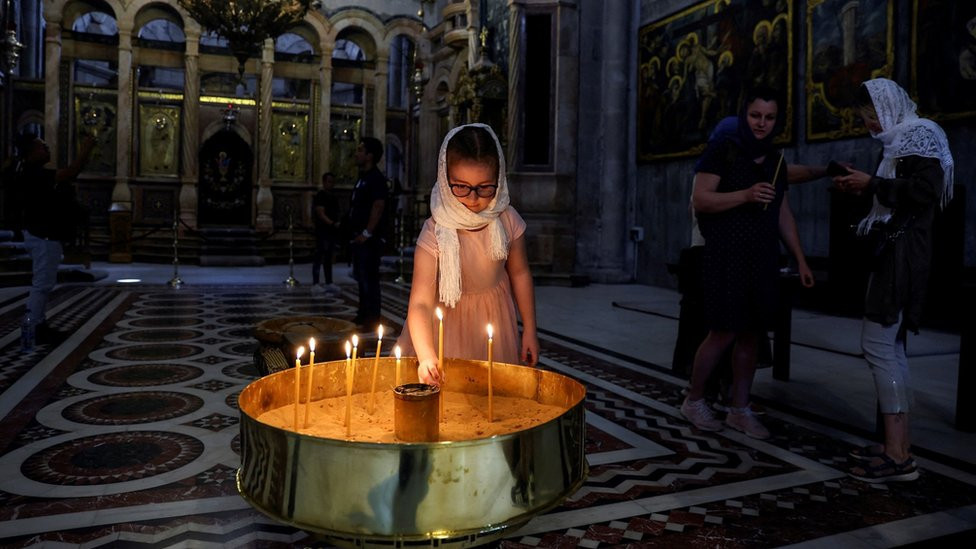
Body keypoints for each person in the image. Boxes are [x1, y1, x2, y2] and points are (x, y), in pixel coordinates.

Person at [833, 78, 953, 483]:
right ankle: (896, 445)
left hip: (903, 256)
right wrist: (866, 185)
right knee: (890, 347)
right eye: (864, 119)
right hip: (894, 252)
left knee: (880, 346)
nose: (869, 126)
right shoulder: (899, 142)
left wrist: (872, 184)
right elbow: (896, 195)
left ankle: (898, 455)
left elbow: (926, 190)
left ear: (888, 108)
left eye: (870, 117)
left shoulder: (921, 134)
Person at [679, 86, 815, 440]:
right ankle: (694, 400)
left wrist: (800, 259)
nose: (762, 124)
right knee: (722, 332)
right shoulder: (722, 151)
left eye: (769, 118)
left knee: (752, 334)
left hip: (762, 257)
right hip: (726, 254)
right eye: (756, 115)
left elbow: (783, 213)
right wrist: (745, 194)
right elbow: (702, 200)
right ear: (744, 114)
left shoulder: (776, 160)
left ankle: (739, 408)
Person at [396, 123, 539, 385]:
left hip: (493, 321)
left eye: (485, 187)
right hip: (444, 328)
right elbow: (420, 303)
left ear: (499, 179)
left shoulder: (506, 219)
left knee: (490, 397)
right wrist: (427, 355)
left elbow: (520, 273)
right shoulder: (435, 232)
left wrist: (529, 329)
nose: (473, 199)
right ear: (444, 177)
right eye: (461, 186)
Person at [10, 131, 95, 345]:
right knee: (42, 284)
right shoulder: (33, 173)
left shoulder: (32, 171)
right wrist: (86, 148)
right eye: (41, 147)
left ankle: (39, 324)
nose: (46, 149)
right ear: (30, 153)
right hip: (43, 236)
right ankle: (33, 329)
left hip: (44, 234)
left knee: (43, 283)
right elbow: (71, 172)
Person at [345, 137, 388, 329]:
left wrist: (367, 232)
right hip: (359, 236)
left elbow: (378, 206)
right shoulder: (362, 177)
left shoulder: (376, 179)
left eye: (360, 150)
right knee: (361, 277)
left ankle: (372, 317)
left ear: (369, 156)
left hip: (369, 239)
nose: (356, 153)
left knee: (369, 277)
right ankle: (363, 314)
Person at [311, 171, 341, 294]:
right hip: (322, 230)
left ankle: (329, 282)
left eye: (332, 182)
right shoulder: (320, 196)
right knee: (319, 256)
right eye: (329, 182)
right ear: (324, 182)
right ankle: (315, 283)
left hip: (331, 231)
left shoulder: (333, 197)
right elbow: (320, 213)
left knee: (329, 257)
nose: (331, 184)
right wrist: (332, 223)